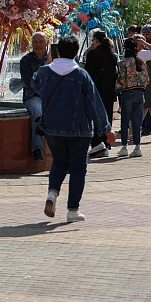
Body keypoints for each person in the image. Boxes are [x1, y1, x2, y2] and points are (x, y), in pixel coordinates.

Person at [33, 36, 113, 222]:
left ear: (57, 51)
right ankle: (73, 210)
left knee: (59, 162)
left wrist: (49, 64)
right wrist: (106, 129)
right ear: (77, 53)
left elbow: (34, 84)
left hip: (52, 128)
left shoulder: (44, 72)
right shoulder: (81, 75)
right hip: (79, 129)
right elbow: (94, 103)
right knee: (78, 168)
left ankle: (52, 194)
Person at [84, 30, 118, 157]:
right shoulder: (112, 55)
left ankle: (97, 145)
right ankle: (107, 143)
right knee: (107, 117)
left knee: (96, 117)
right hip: (109, 91)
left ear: (96, 40)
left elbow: (88, 74)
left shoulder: (92, 54)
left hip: (96, 91)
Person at [18, 32, 50, 162]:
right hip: (33, 96)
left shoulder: (55, 58)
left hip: (51, 96)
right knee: (37, 110)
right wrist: (46, 68)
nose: (38, 45)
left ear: (47, 43)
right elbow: (29, 83)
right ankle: (37, 148)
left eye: (41, 42)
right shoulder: (26, 60)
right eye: (35, 42)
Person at [115, 38, 148, 158]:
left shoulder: (122, 63)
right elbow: (146, 79)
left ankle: (124, 146)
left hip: (127, 93)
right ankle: (137, 147)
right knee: (137, 122)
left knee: (125, 121)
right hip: (140, 93)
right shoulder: (141, 61)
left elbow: (120, 80)